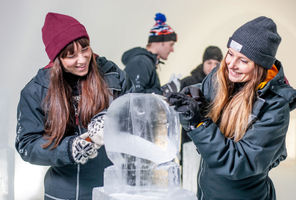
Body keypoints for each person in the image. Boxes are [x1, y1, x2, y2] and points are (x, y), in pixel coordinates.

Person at [168, 16, 296, 199]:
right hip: (207, 192)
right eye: (230, 54)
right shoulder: (218, 78)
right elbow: (203, 132)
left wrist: (198, 124)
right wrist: (190, 103)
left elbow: (239, 163)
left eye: (243, 60)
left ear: (261, 66)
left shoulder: (274, 107)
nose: (231, 65)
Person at [15, 12, 133, 200]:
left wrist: (110, 116)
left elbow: (135, 111)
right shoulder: (36, 91)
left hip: (113, 190)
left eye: (85, 49)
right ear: (57, 59)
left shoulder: (112, 74)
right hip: (64, 193)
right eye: (70, 55)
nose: (82, 59)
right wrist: (72, 148)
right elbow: (27, 146)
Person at [122, 13, 179, 95]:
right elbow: (133, 95)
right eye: (171, 44)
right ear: (161, 42)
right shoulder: (141, 62)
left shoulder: (148, 62)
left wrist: (165, 90)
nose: (172, 50)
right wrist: (164, 91)